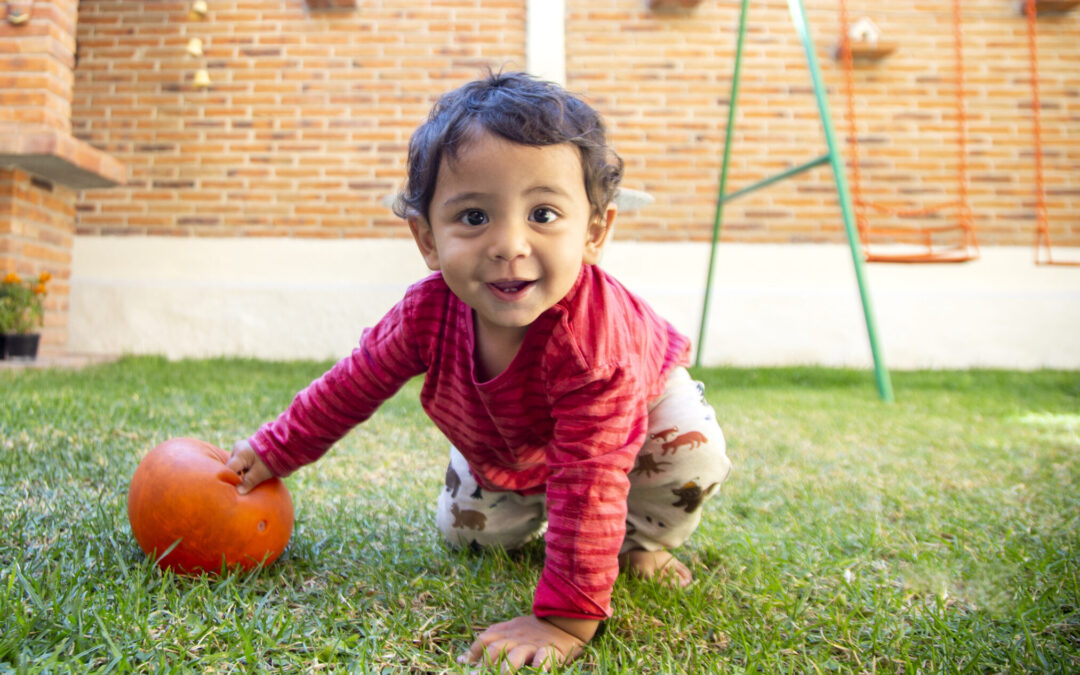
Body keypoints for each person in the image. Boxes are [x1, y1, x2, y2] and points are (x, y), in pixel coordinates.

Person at [227, 70, 731, 671]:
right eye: (473, 217)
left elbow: (591, 472)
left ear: (595, 233)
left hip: (639, 420)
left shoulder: (594, 346)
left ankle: (639, 540)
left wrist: (565, 620)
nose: (508, 244)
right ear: (426, 239)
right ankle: (524, 487)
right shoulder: (426, 313)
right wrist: (274, 450)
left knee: (688, 454)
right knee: (469, 535)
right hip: (511, 435)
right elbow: (351, 385)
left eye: (543, 213)